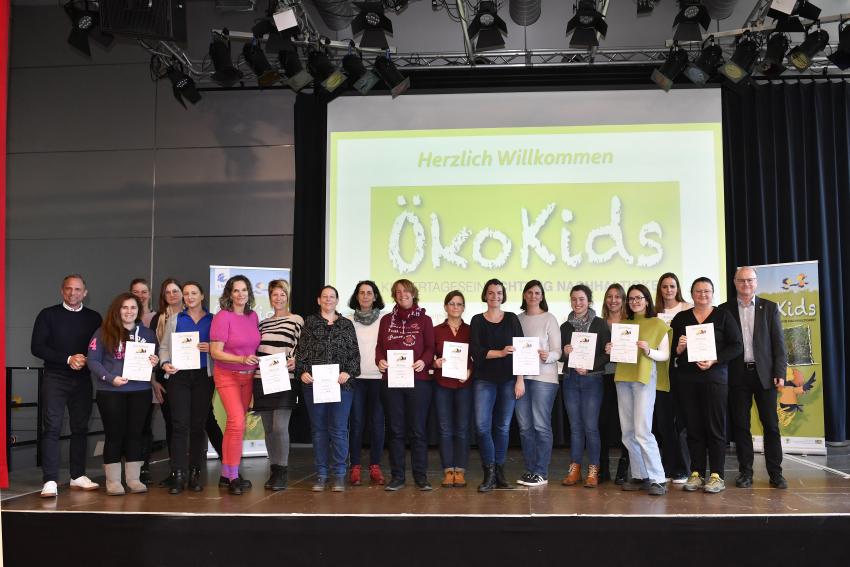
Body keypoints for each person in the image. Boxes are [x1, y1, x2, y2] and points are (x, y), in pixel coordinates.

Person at [31, 274, 102, 497]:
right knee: (51, 427)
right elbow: (37, 347)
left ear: (85, 293)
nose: (73, 293)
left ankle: (77, 475)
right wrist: (68, 358)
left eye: (78, 289)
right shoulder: (48, 314)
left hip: (82, 379)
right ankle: (50, 480)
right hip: (55, 377)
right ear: (62, 291)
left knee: (80, 427)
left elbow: (99, 348)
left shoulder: (94, 318)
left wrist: (85, 361)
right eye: (69, 289)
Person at [671, 277, 743, 494]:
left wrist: (715, 359)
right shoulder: (681, 317)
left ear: (713, 294)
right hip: (687, 380)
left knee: (715, 427)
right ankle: (696, 473)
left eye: (707, 291)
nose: (703, 295)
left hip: (715, 379)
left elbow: (737, 345)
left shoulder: (723, 315)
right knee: (693, 427)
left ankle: (717, 475)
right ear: (692, 294)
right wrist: (680, 348)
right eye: (698, 291)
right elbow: (674, 351)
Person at [720, 266, 788, 489]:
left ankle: (776, 474)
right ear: (734, 282)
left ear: (756, 282)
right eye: (741, 280)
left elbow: (779, 344)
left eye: (750, 280)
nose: (746, 284)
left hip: (765, 375)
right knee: (741, 426)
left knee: (771, 426)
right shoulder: (724, 309)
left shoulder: (769, 308)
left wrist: (780, 372)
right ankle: (745, 473)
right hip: (737, 375)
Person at [86, 293, 159, 495]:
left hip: (140, 391)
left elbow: (156, 357)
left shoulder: (148, 334)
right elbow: (93, 361)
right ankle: (113, 481)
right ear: (117, 310)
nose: (129, 312)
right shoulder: (103, 332)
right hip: (111, 391)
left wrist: (155, 360)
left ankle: (134, 479)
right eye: (124, 308)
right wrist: (110, 378)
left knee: (135, 435)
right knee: (114, 435)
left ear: (138, 311)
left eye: (133, 308)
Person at [605, 284, 669, 496]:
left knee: (642, 430)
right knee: (628, 432)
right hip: (623, 378)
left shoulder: (658, 324)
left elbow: (665, 355)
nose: (634, 301)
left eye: (638, 298)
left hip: (643, 379)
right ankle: (640, 475)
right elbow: (618, 354)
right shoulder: (624, 324)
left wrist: (648, 350)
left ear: (647, 300)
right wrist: (611, 349)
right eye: (631, 299)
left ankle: (658, 478)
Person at [295, 285, 360, 492]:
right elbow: (301, 354)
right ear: (318, 300)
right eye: (325, 296)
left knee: (339, 430)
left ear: (337, 300)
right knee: (319, 431)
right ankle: (322, 474)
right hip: (315, 386)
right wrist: (302, 372)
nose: (328, 300)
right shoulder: (310, 323)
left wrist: (347, 372)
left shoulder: (346, 324)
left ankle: (339, 474)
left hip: (342, 386)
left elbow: (355, 356)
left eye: (332, 297)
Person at [376, 279, 435, 491]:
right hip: (392, 382)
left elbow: (430, 347)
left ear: (413, 293)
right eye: (398, 292)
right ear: (394, 295)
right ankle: (398, 477)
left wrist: (424, 361)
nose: (402, 294)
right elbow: (379, 348)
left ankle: (421, 477)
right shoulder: (385, 321)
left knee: (418, 431)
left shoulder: (425, 320)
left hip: (418, 383)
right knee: (395, 430)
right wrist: (379, 361)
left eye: (406, 291)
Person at [159, 281, 214, 494]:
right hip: (179, 376)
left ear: (202, 296)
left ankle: (195, 473)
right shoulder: (174, 319)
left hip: (204, 377)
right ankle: (178, 474)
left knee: (198, 426)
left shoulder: (213, 320)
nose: (189, 297)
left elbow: (222, 346)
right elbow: (164, 347)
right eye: (186, 294)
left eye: (194, 293)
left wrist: (211, 348)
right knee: (179, 424)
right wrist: (165, 363)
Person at [470, 278, 524, 492]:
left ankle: (499, 474)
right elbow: (476, 352)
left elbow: (521, 350)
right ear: (485, 295)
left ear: (503, 295)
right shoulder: (476, 320)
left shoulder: (511, 319)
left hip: (509, 380)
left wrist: (520, 379)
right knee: (483, 427)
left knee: (502, 428)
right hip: (484, 380)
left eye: (499, 293)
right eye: (491, 293)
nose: (495, 297)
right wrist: (501, 352)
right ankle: (489, 472)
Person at [209, 275, 261, 495]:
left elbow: (254, 347)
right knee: (237, 423)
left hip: (247, 377)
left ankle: (226, 473)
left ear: (249, 293)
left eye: (244, 290)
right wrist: (240, 360)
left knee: (236, 425)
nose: (241, 294)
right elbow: (215, 352)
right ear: (229, 294)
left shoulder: (253, 316)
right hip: (227, 375)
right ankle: (232, 476)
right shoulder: (223, 316)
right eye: (236, 290)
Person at [253, 280, 303, 491]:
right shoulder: (262, 323)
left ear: (287, 296)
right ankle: (274, 470)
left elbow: (304, 346)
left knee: (279, 427)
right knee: (268, 429)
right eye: (275, 295)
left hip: (285, 378)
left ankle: (282, 470)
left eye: (282, 294)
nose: (279, 298)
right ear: (270, 297)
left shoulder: (296, 320)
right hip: (261, 378)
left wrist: (297, 360)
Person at [560, 284, 611, 488]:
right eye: (574, 299)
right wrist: (565, 351)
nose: (577, 303)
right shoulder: (565, 327)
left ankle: (593, 469)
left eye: (581, 299)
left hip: (593, 380)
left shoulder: (600, 324)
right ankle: (575, 469)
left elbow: (607, 353)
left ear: (589, 301)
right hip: (571, 379)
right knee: (575, 427)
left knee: (591, 427)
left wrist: (589, 367)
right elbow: (562, 355)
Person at [514, 280, 560, 487]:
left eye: (537, 293)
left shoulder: (549, 319)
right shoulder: (516, 319)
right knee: (525, 428)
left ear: (542, 296)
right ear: (524, 295)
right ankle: (531, 470)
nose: (533, 296)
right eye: (530, 292)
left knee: (541, 426)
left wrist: (547, 356)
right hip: (521, 379)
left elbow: (558, 352)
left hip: (544, 379)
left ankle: (541, 472)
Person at [652, 272, 691, 485]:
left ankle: (683, 469)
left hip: (681, 373)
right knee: (664, 424)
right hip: (658, 374)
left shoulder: (687, 309)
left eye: (672, 286)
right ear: (660, 289)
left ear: (678, 288)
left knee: (681, 425)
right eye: (665, 286)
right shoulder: (654, 313)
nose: (668, 290)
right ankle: (667, 467)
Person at [346, 280, 387, 486]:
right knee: (357, 423)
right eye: (361, 292)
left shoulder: (385, 320)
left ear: (375, 296)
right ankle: (355, 466)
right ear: (356, 296)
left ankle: (375, 466)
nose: (365, 296)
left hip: (379, 379)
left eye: (369, 293)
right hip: (356, 379)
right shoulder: (347, 320)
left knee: (378, 424)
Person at [432, 290, 473, 488]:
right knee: (445, 429)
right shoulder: (436, 330)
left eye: (459, 304)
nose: (455, 307)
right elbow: (428, 355)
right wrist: (435, 363)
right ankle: (448, 470)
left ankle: (461, 471)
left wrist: (470, 371)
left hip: (464, 385)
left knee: (463, 429)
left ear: (463, 308)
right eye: (452, 303)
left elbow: (477, 357)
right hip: (442, 385)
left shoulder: (471, 330)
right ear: (445, 306)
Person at [144, 278, 182, 486]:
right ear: (163, 296)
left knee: (192, 424)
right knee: (171, 424)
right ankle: (175, 470)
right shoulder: (157, 319)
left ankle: (189, 468)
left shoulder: (192, 315)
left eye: (176, 291)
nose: (172, 295)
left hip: (189, 378)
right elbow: (151, 352)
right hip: (163, 379)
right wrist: (153, 381)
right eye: (168, 292)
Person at [600, 284, 629, 484]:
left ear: (623, 299)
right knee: (602, 424)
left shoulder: (632, 322)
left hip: (627, 378)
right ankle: (603, 469)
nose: (613, 300)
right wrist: (604, 350)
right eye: (609, 296)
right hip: (604, 377)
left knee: (625, 425)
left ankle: (623, 469)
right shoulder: (599, 323)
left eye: (617, 296)